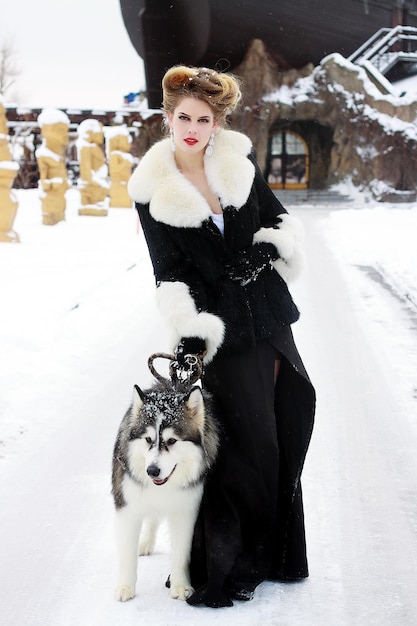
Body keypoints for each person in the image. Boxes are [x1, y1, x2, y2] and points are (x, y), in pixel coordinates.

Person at [127, 65, 316, 608]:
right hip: (220, 334)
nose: (191, 127)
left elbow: (281, 221)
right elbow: (167, 270)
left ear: (217, 122)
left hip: (271, 320)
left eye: (202, 119)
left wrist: (263, 250)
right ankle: (232, 563)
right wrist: (190, 337)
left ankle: (281, 554)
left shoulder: (238, 163)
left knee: (287, 424)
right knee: (244, 446)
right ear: (167, 118)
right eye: (182, 117)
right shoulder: (151, 191)